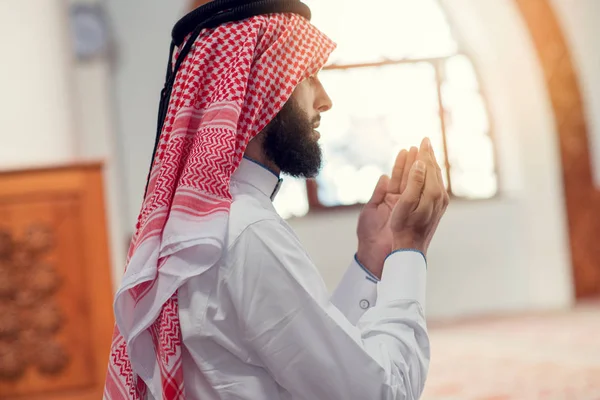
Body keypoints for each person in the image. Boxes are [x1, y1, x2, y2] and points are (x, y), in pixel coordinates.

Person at [104, 3, 448, 400]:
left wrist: (372, 259)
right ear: (261, 88)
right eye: (309, 77)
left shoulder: (207, 225)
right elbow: (380, 393)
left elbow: (304, 361)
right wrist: (410, 250)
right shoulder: (245, 231)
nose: (324, 101)